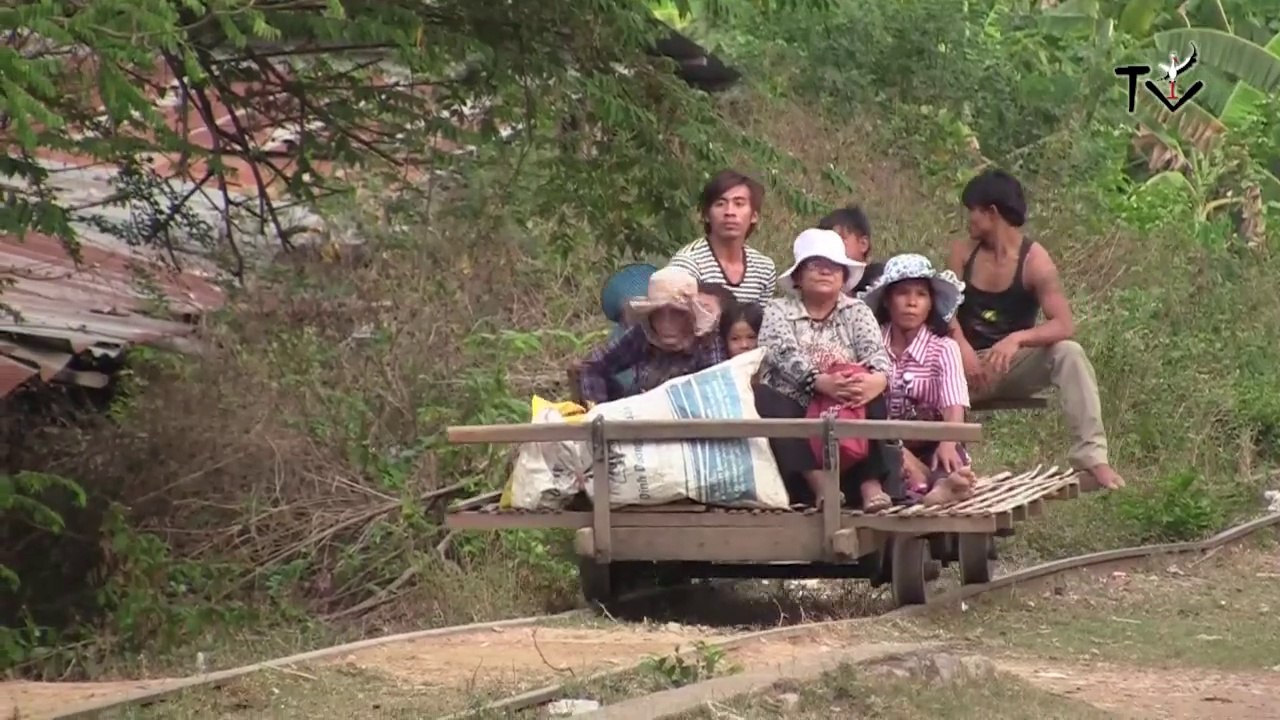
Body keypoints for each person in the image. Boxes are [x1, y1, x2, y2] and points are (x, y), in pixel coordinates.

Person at [946, 169, 1124, 491]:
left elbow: (1064, 324)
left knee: (1070, 353)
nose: (968, 219)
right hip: (959, 368)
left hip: (1007, 367)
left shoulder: (1034, 260)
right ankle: (938, 467)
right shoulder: (962, 252)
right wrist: (959, 345)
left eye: (972, 210)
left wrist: (1017, 339)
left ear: (992, 212)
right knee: (924, 356)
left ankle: (1092, 456)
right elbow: (943, 309)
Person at [755, 228, 902, 511]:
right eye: (815, 265)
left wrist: (877, 380)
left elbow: (877, 354)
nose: (825, 272)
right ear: (798, 276)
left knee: (871, 392)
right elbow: (781, 352)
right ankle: (820, 484)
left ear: (844, 276)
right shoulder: (777, 310)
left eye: (833, 267)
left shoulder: (857, 311)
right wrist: (819, 382)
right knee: (764, 397)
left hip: (847, 399)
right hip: (797, 400)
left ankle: (870, 485)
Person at [859, 254, 977, 506]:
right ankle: (927, 482)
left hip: (935, 439)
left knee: (949, 460)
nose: (911, 303)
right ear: (888, 301)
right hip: (887, 443)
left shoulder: (944, 348)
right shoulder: (872, 343)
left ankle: (940, 482)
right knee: (885, 456)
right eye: (902, 293)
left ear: (931, 303)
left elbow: (954, 404)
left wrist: (948, 441)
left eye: (921, 295)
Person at [577, 266, 725, 405]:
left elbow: (715, 395)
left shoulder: (708, 342)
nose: (667, 323)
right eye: (659, 314)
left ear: (691, 317)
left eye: (677, 314)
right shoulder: (641, 334)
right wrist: (599, 410)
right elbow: (594, 364)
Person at [668, 169, 778, 305]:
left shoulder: (764, 269)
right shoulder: (688, 264)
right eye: (720, 204)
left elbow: (761, 323)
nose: (729, 212)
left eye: (739, 204)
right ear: (706, 215)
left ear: (754, 216)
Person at [818, 204, 883, 295]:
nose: (832, 245)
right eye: (826, 241)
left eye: (840, 239)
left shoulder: (879, 281)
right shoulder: (820, 279)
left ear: (863, 244)